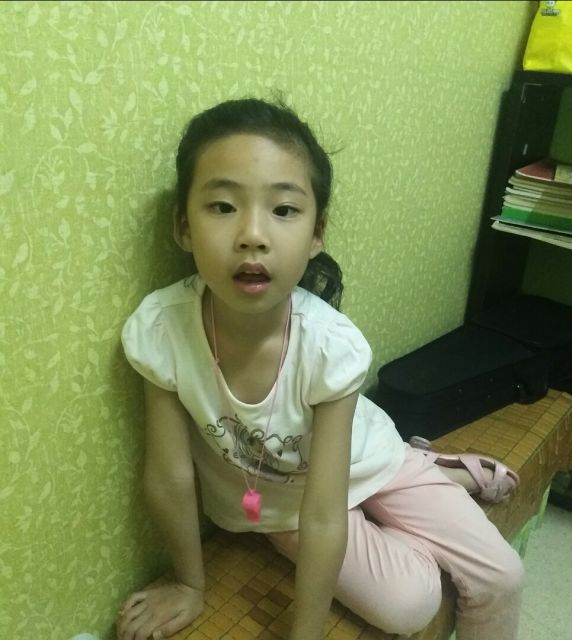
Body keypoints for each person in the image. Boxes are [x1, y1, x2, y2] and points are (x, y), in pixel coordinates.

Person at [117, 98, 524, 640]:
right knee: (412, 604)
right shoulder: (161, 331)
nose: (253, 234)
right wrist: (189, 583)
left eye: (284, 210)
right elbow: (169, 477)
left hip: (369, 456)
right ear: (183, 226)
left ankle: (431, 468)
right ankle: (444, 479)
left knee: (504, 575)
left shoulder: (332, 345)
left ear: (316, 234)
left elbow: (327, 511)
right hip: (283, 503)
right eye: (223, 206)